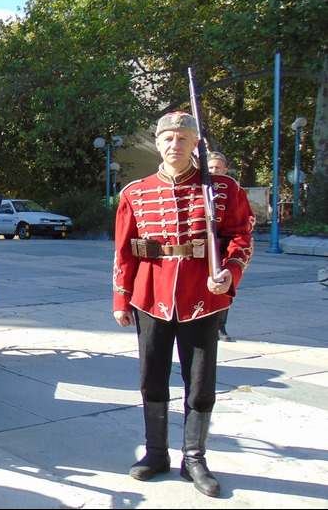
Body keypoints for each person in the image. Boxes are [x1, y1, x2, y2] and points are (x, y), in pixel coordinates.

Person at [113, 111, 254, 498]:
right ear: (158, 143)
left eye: (183, 138)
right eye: (168, 138)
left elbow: (241, 235)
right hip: (149, 296)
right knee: (151, 377)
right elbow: (124, 251)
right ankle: (156, 452)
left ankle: (194, 458)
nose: (174, 145)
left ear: (196, 145)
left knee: (200, 382)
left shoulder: (222, 189)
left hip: (202, 298)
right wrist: (121, 298)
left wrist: (229, 273)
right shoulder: (134, 192)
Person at [206, 151, 234, 342]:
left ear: (225, 169)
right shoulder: (200, 187)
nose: (214, 171)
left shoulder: (233, 190)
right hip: (205, 249)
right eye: (210, 168)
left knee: (225, 287)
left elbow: (245, 218)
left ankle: (221, 327)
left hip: (225, 248)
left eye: (217, 167)